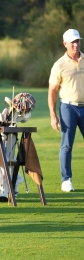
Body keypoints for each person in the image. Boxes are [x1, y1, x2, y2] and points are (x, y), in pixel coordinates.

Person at [48, 29, 84, 192]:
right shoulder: (59, 65)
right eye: (72, 42)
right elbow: (52, 92)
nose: (76, 44)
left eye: (77, 41)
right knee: (67, 145)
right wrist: (53, 115)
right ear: (65, 44)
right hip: (68, 107)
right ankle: (66, 179)